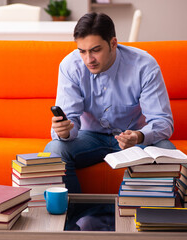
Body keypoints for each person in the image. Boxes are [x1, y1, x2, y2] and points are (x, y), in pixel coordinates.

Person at [44, 12, 175, 193]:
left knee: (166, 150)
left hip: (133, 138)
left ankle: (139, 215)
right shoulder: (70, 66)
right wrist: (65, 132)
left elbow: (163, 122)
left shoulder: (144, 66)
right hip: (89, 137)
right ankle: (73, 217)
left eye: (95, 50)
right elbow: (70, 121)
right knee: (55, 148)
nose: (88, 60)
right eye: (82, 51)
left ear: (113, 43)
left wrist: (139, 136)